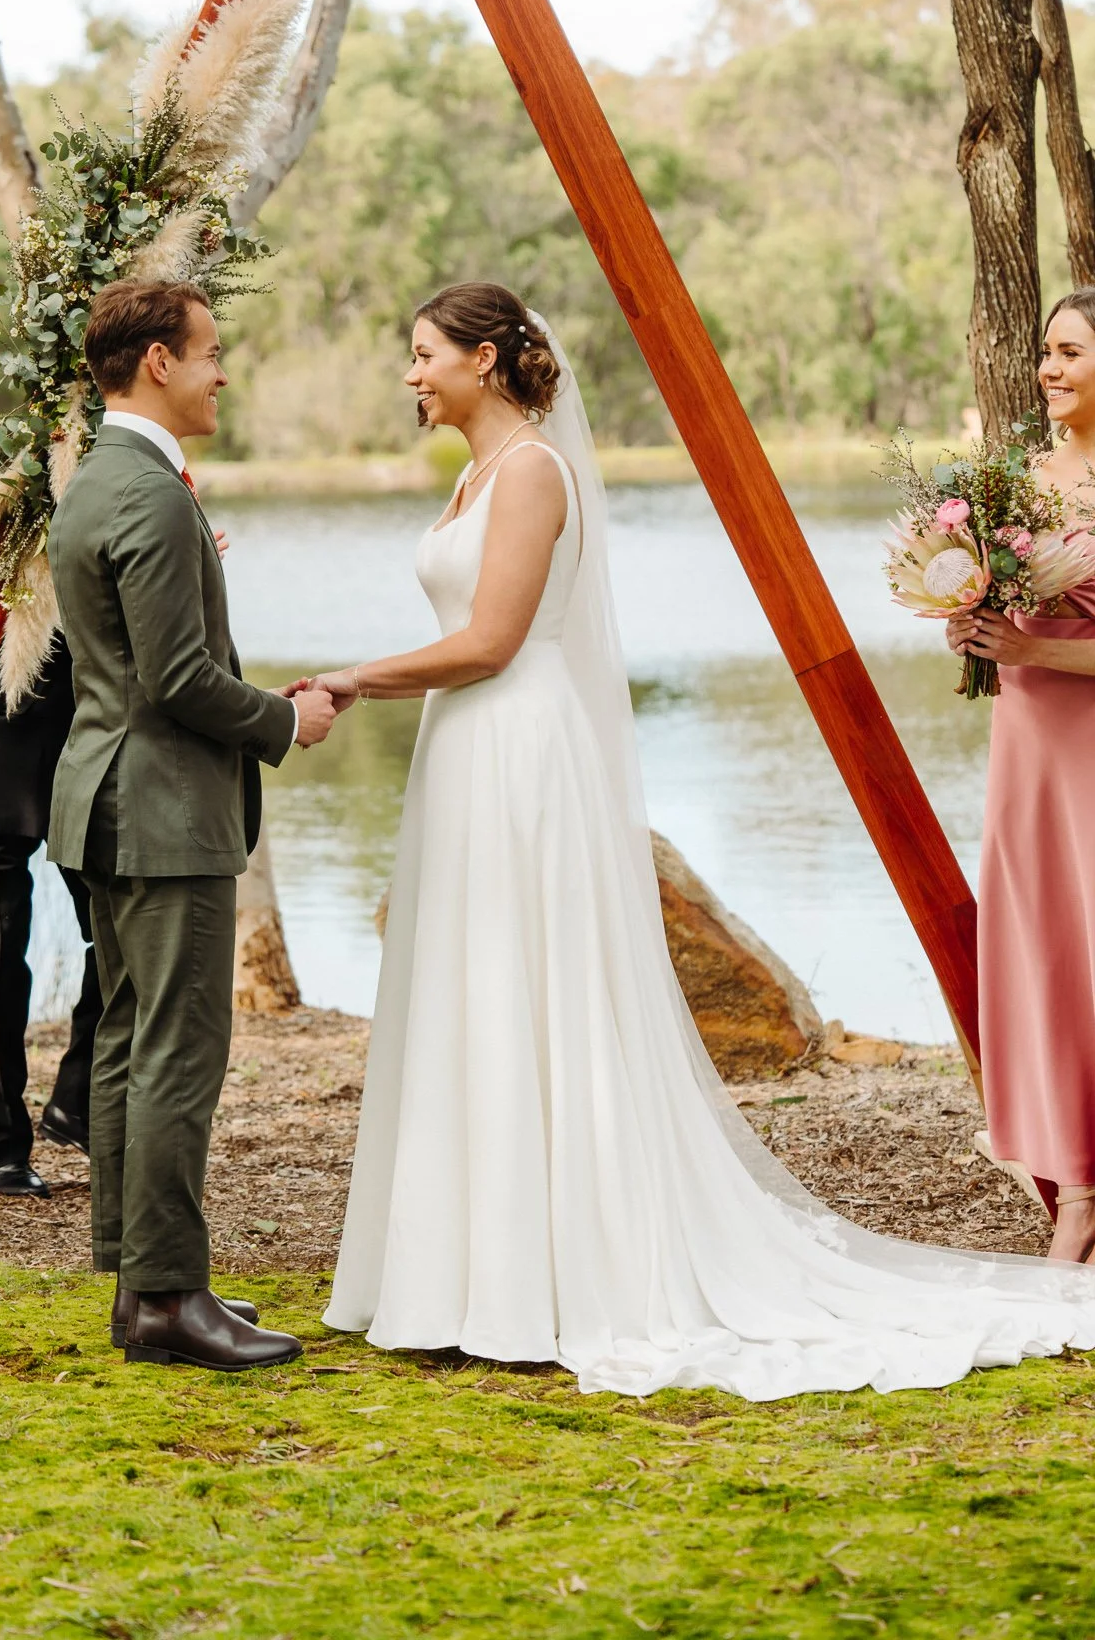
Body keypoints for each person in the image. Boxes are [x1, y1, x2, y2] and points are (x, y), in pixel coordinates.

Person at [317, 281, 1095, 1399]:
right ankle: (461, 1270)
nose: (410, 373)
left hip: (520, 749)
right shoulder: (482, 474)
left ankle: (537, 1275)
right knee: (472, 990)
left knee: (528, 991)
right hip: (466, 752)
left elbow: (492, 641)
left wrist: (353, 677)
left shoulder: (534, 471)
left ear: (485, 361)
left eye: (424, 352)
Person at [47, 277, 337, 1372]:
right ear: (158, 363)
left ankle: (140, 1286)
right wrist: (287, 718)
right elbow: (173, 681)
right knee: (177, 1052)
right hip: (163, 810)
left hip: (104, 804)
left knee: (127, 1043)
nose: (224, 370)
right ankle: (169, 1297)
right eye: (211, 351)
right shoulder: (153, 493)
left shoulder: (101, 479)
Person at [947, 288, 1095, 1261]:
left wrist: (1035, 653)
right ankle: (1076, 1188)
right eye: (1047, 350)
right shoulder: (1016, 481)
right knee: (1045, 948)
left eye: (1071, 352)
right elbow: (983, 601)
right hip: (1027, 744)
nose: (1049, 368)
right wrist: (965, 621)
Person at [0, 465, 103, 1199]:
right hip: (1, 741)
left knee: (128, 928)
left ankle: (58, 1112)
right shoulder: (105, 472)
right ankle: (10, 1142)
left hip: (67, 744)